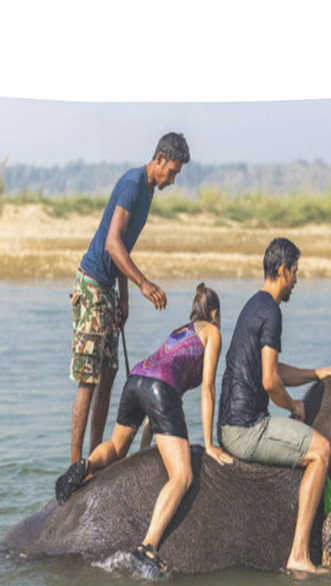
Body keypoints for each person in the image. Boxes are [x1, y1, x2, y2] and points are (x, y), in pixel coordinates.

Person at [56, 283, 232, 576]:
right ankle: (148, 547)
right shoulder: (213, 332)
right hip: (159, 389)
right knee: (183, 475)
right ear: (215, 313)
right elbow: (208, 389)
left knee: (115, 447)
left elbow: (158, 410)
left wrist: (144, 451)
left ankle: (84, 466)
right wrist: (210, 443)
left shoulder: (180, 332)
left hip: (137, 380)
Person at [217, 237, 331, 574]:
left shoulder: (254, 304)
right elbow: (270, 382)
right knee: (321, 451)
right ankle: (299, 555)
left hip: (231, 422)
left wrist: (315, 373)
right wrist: (295, 407)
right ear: (282, 270)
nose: (297, 280)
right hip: (246, 429)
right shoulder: (272, 313)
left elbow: (272, 369)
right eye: (295, 272)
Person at [68, 132, 191, 465]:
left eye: (177, 174)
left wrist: (124, 298)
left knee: (108, 375)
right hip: (92, 285)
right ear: (160, 158)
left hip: (108, 289)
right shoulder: (133, 184)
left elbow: (124, 247)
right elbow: (111, 243)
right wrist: (142, 283)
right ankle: (75, 463)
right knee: (89, 379)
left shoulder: (148, 192)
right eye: (173, 171)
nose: (173, 179)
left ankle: (95, 457)